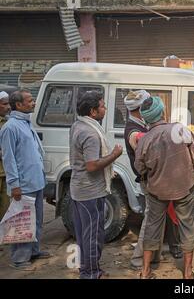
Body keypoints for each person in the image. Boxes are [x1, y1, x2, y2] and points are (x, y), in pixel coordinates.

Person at [135, 96, 194, 279]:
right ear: (163, 112)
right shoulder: (180, 130)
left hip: (157, 190)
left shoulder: (145, 139)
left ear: (146, 118)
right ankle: (188, 273)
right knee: (187, 227)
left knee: (152, 227)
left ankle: (145, 271)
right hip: (183, 187)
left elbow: (139, 168)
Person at [123, 90, 182, 271]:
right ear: (141, 109)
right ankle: (138, 260)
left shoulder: (141, 125)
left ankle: (154, 257)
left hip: (154, 179)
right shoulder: (134, 131)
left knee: (158, 219)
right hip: (150, 181)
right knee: (151, 221)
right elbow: (149, 144)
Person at [69, 91, 123, 279]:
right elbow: (92, 165)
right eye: (102, 106)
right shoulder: (90, 133)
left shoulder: (79, 124)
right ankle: (90, 273)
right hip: (89, 192)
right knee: (92, 235)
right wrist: (114, 155)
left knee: (85, 233)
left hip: (80, 189)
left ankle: (88, 269)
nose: (105, 109)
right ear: (93, 111)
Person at [0, 90, 50, 270]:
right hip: (23, 185)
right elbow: (9, 158)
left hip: (36, 181)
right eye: (29, 101)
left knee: (35, 220)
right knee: (21, 223)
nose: (33, 103)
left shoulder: (25, 123)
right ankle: (19, 258)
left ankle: (33, 251)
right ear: (19, 105)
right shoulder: (10, 127)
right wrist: (14, 185)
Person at [0, 91, 11, 220]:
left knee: (6, 213)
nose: (8, 107)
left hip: (6, 174)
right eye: (5, 104)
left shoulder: (9, 122)